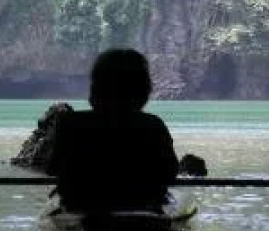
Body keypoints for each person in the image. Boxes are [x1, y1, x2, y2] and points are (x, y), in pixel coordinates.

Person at [46, 48, 179, 212]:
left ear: (96, 88)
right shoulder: (153, 125)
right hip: (141, 209)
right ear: (143, 90)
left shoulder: (70, 123)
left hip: (82, 208)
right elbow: (170, 174)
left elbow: (52, 168)